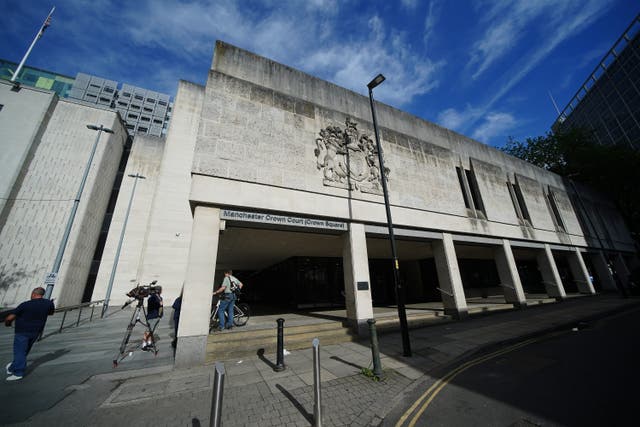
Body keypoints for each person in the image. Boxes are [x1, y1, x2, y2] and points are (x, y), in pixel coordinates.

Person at [4, 287, 55, 381]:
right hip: (36, 331)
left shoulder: (25, 305)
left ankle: (18, 372)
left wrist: (7, 323)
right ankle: (12, 367)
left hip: (22, 331)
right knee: (24, 350)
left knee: (19, 351)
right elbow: (51, 313)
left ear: (33, 294)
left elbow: (10, 317)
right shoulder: (48, 303)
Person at [142, 286, 163, 351]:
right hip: (152, 317)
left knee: (151, 331)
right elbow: (159, 305)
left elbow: (160, 306)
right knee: (148, 331)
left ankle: (149, 343)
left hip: (155, 316)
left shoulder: (158, 297)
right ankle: (144, 344)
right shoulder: (152, 298)